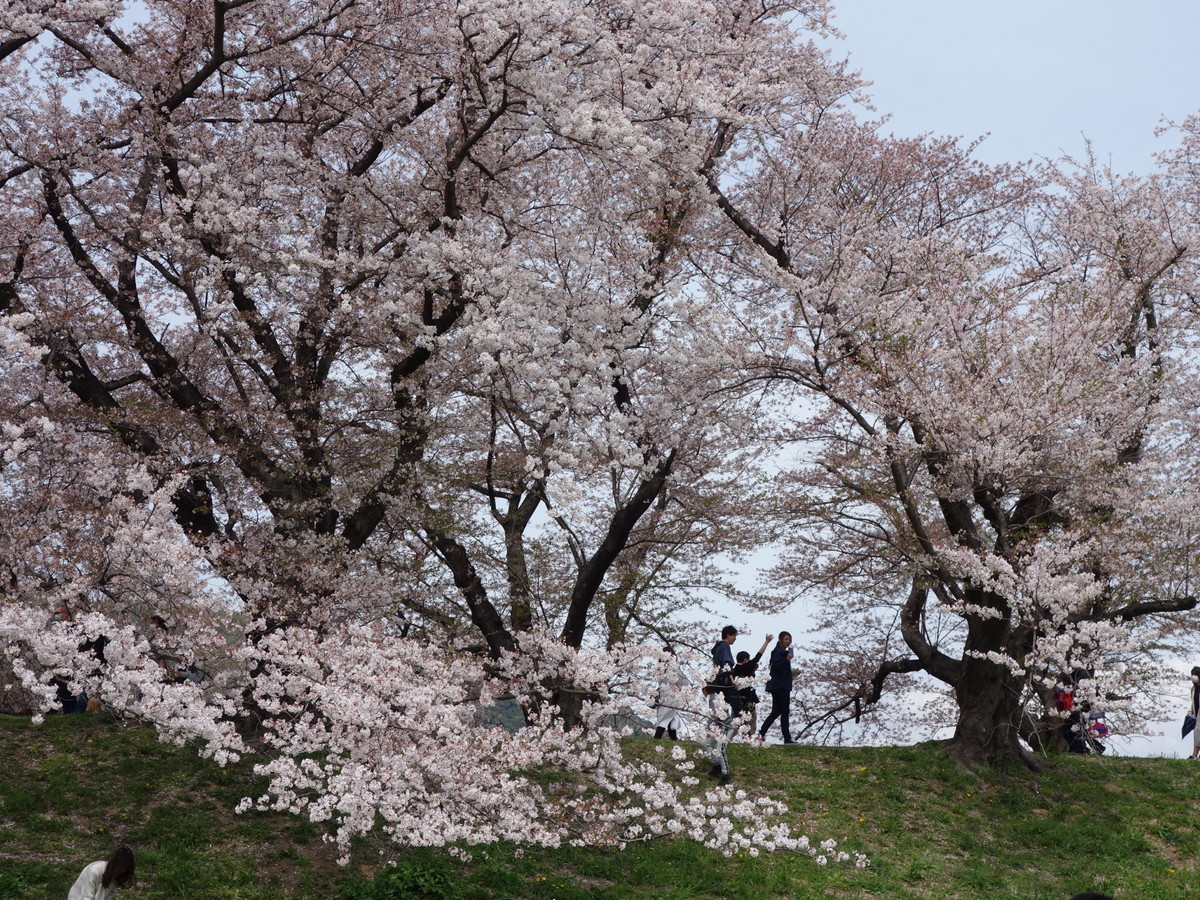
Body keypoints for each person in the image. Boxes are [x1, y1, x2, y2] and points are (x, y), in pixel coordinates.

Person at [705, 625, 743, 786]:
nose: (735, 638)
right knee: (707, 739)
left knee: (716, 735)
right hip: (721, 689)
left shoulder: (716, 649)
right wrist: (733, 680)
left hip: (715, 689)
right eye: (734, 636)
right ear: (728, 635)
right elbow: (728, 666)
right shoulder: (725, 646)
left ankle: (724, 773)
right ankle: (716, 765)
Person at [758, 631, 797, 744]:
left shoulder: (783, 653)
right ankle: (787, 738)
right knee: (784, 711)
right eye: (786, 639)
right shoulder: (777, 652)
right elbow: (777, 666)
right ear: (780, 640)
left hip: (781, 685)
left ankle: (761, 733)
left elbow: (782, 670)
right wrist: (787, 660)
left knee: (776, 711)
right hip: (780, 686)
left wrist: (794, 673)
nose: (788, 641)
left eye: (789, 639)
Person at [732, 635, 772, 735]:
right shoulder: (747, 666)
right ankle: (750, 741)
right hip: (748, 701)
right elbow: (758, 656)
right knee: (751, 725)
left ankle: (727, 739)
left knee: (734, 724)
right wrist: (767, 642)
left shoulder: (734, 670)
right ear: (745, 660)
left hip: (736, 700)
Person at [67, 846, 135, 900]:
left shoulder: (117, 876)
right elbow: (86, 897)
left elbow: (107, 895)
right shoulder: (94, 870)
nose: (121, 871)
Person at [652, 645, 690, 740]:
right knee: (666, 720)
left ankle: (673, 740)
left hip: (663, 696)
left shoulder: (659, 669)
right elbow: (684, 682)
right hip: (673, 697)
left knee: (669, 719)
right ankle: (658, 738)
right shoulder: (674, 668)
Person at [1187, 665, 1200, 759]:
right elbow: (1193, 700)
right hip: (1196, 713)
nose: (1193, 676)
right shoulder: (1193, 689)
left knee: (1198, 732)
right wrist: (1191, 709)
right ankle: (1195, 755)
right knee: (1197, 733)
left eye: (1195, 674)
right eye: (1192, 674)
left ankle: (1195, 754)